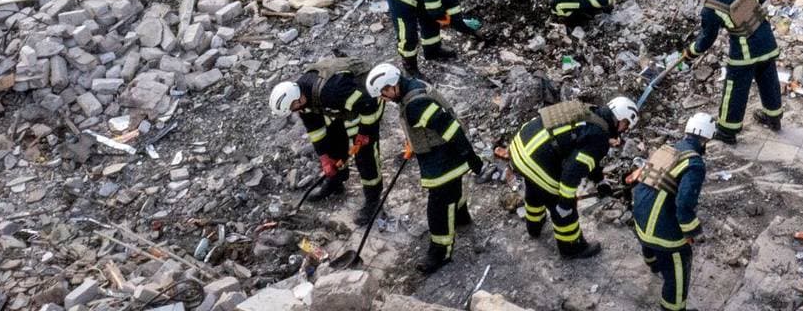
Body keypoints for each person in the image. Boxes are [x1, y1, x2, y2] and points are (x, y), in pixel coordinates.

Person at [365, 63, 486, 274]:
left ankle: (440, 252)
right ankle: (461, 217)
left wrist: (470, 156)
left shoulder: (415, 104)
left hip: (444, 157)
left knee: (438, 207)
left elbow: (450, 128)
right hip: (441, 151)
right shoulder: (411, 87)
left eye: (383, 94)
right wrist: (413, 141)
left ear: (391, 86)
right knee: (453, 193)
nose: (383, 99)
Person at [509, 95, 637, 258]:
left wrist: (600, 181)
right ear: (620, 118)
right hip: (536, 158)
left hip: (520, 147)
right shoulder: (599, 137)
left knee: (535, 187)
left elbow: (585, 155)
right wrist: (565, 202)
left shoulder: (589, 111)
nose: (625, 130)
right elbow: (572, 173)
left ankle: (534, 226)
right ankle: (571, 247)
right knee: (562, 205)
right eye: (626, 125)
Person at [268, 58, 387, 224]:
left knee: (364, 156)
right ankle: (337, 180)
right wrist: (324, 158)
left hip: (367, 101)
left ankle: (373, 199)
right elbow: (315, 128)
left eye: (293, 108)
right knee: (333, 143)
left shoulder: (331, 91)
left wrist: (365, 132)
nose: (295, 111)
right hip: (340, 106)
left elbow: (367, 103)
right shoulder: (302, 98)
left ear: (298, 99)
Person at [679, 0, 782, 142]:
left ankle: (727, 131)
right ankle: (774, 119)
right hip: (767, 42)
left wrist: (691, 52)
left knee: (735, 90)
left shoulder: (710, 9)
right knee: (769, 80)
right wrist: (750, 12)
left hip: (744, 54)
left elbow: (706, 39)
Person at [631, 112, 714, 311]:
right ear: (706, 139)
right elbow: (684, 204)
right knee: (680, 264)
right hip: (660, 230)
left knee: (650, 243)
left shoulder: (668, 148)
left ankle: (653, 263)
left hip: (640, 216)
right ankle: (673, 307)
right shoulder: (694, 164)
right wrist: (692, 232)